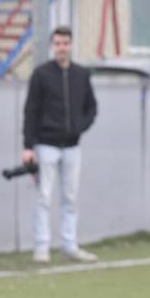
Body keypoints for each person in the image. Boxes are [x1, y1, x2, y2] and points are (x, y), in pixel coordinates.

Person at [22, 26, 98, 263]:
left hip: (72, 146)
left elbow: (91, 108)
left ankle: (69, 244)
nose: (61, 48)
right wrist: (28, 146)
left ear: (71, 45)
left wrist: (79, 127)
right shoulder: (41, 74)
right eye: (57, 43)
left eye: (65, 43)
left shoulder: (81, 74)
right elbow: (31, 111)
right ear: (52, 46)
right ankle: (42, 246)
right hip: (46, 145)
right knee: (43, 196)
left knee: (70, 198)